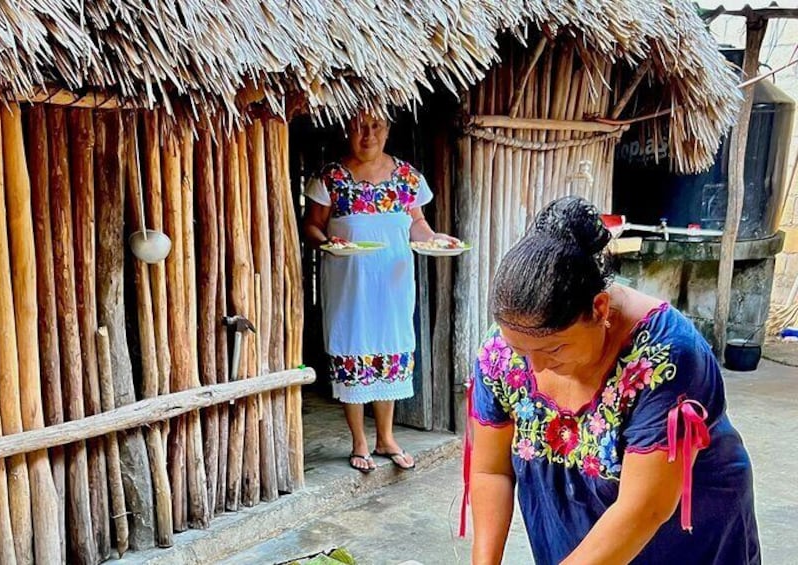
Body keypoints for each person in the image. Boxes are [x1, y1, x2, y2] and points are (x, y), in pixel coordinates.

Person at [465, 196, 760, 564]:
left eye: (554, 350)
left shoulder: (666, 357)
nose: (533, 368)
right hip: (578, 541)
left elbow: (643, 510)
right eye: (521, 351)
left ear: (599, 309)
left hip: (685, 541)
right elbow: (491, 471)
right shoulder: (502, 352)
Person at [302, 112, 456, 473]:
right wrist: (327, 241)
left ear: (387, 131)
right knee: (353, 347)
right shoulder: (332, 177)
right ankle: (359, 442)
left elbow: (417, 224)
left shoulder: (407, 177)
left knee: (389, 346)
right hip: (349, 283)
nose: (367, 135)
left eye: (375, 127)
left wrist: (435, 239)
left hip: (392, 282)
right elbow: (311, 225)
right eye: (358, 127)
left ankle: (386, 438)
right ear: (347, 132)